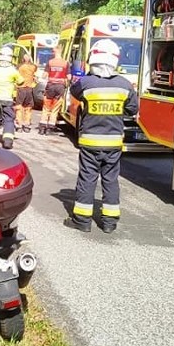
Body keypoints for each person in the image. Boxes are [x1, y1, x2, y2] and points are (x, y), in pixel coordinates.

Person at [63, 39, 139, 234]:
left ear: (93, 59)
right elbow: (132, 109)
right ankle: (109, 223)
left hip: (90, 143)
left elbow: (74, 91)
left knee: (87, 179)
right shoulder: (124, 85)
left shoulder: (86, 83)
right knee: (111, 180)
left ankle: (82, 220)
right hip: (113, 143)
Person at [38, 47, 70, 135]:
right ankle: (50, 129)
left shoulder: (50, 62)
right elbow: (69, 77)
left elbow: (45, 75)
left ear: (54, 52)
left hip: (50, 87)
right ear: (61, 52)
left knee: (46, 108)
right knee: (55, 109)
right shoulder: (66, 63)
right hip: (60, 88)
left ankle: (42, 128)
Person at [14, 52, 38, 132]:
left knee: (19, 106)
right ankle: (27, 125)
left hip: (21, 89)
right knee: (28, 107)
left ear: (22, 59)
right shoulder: (33, 67)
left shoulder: (19, 67)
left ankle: (19, 125)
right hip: (29, 89)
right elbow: (35, 69)